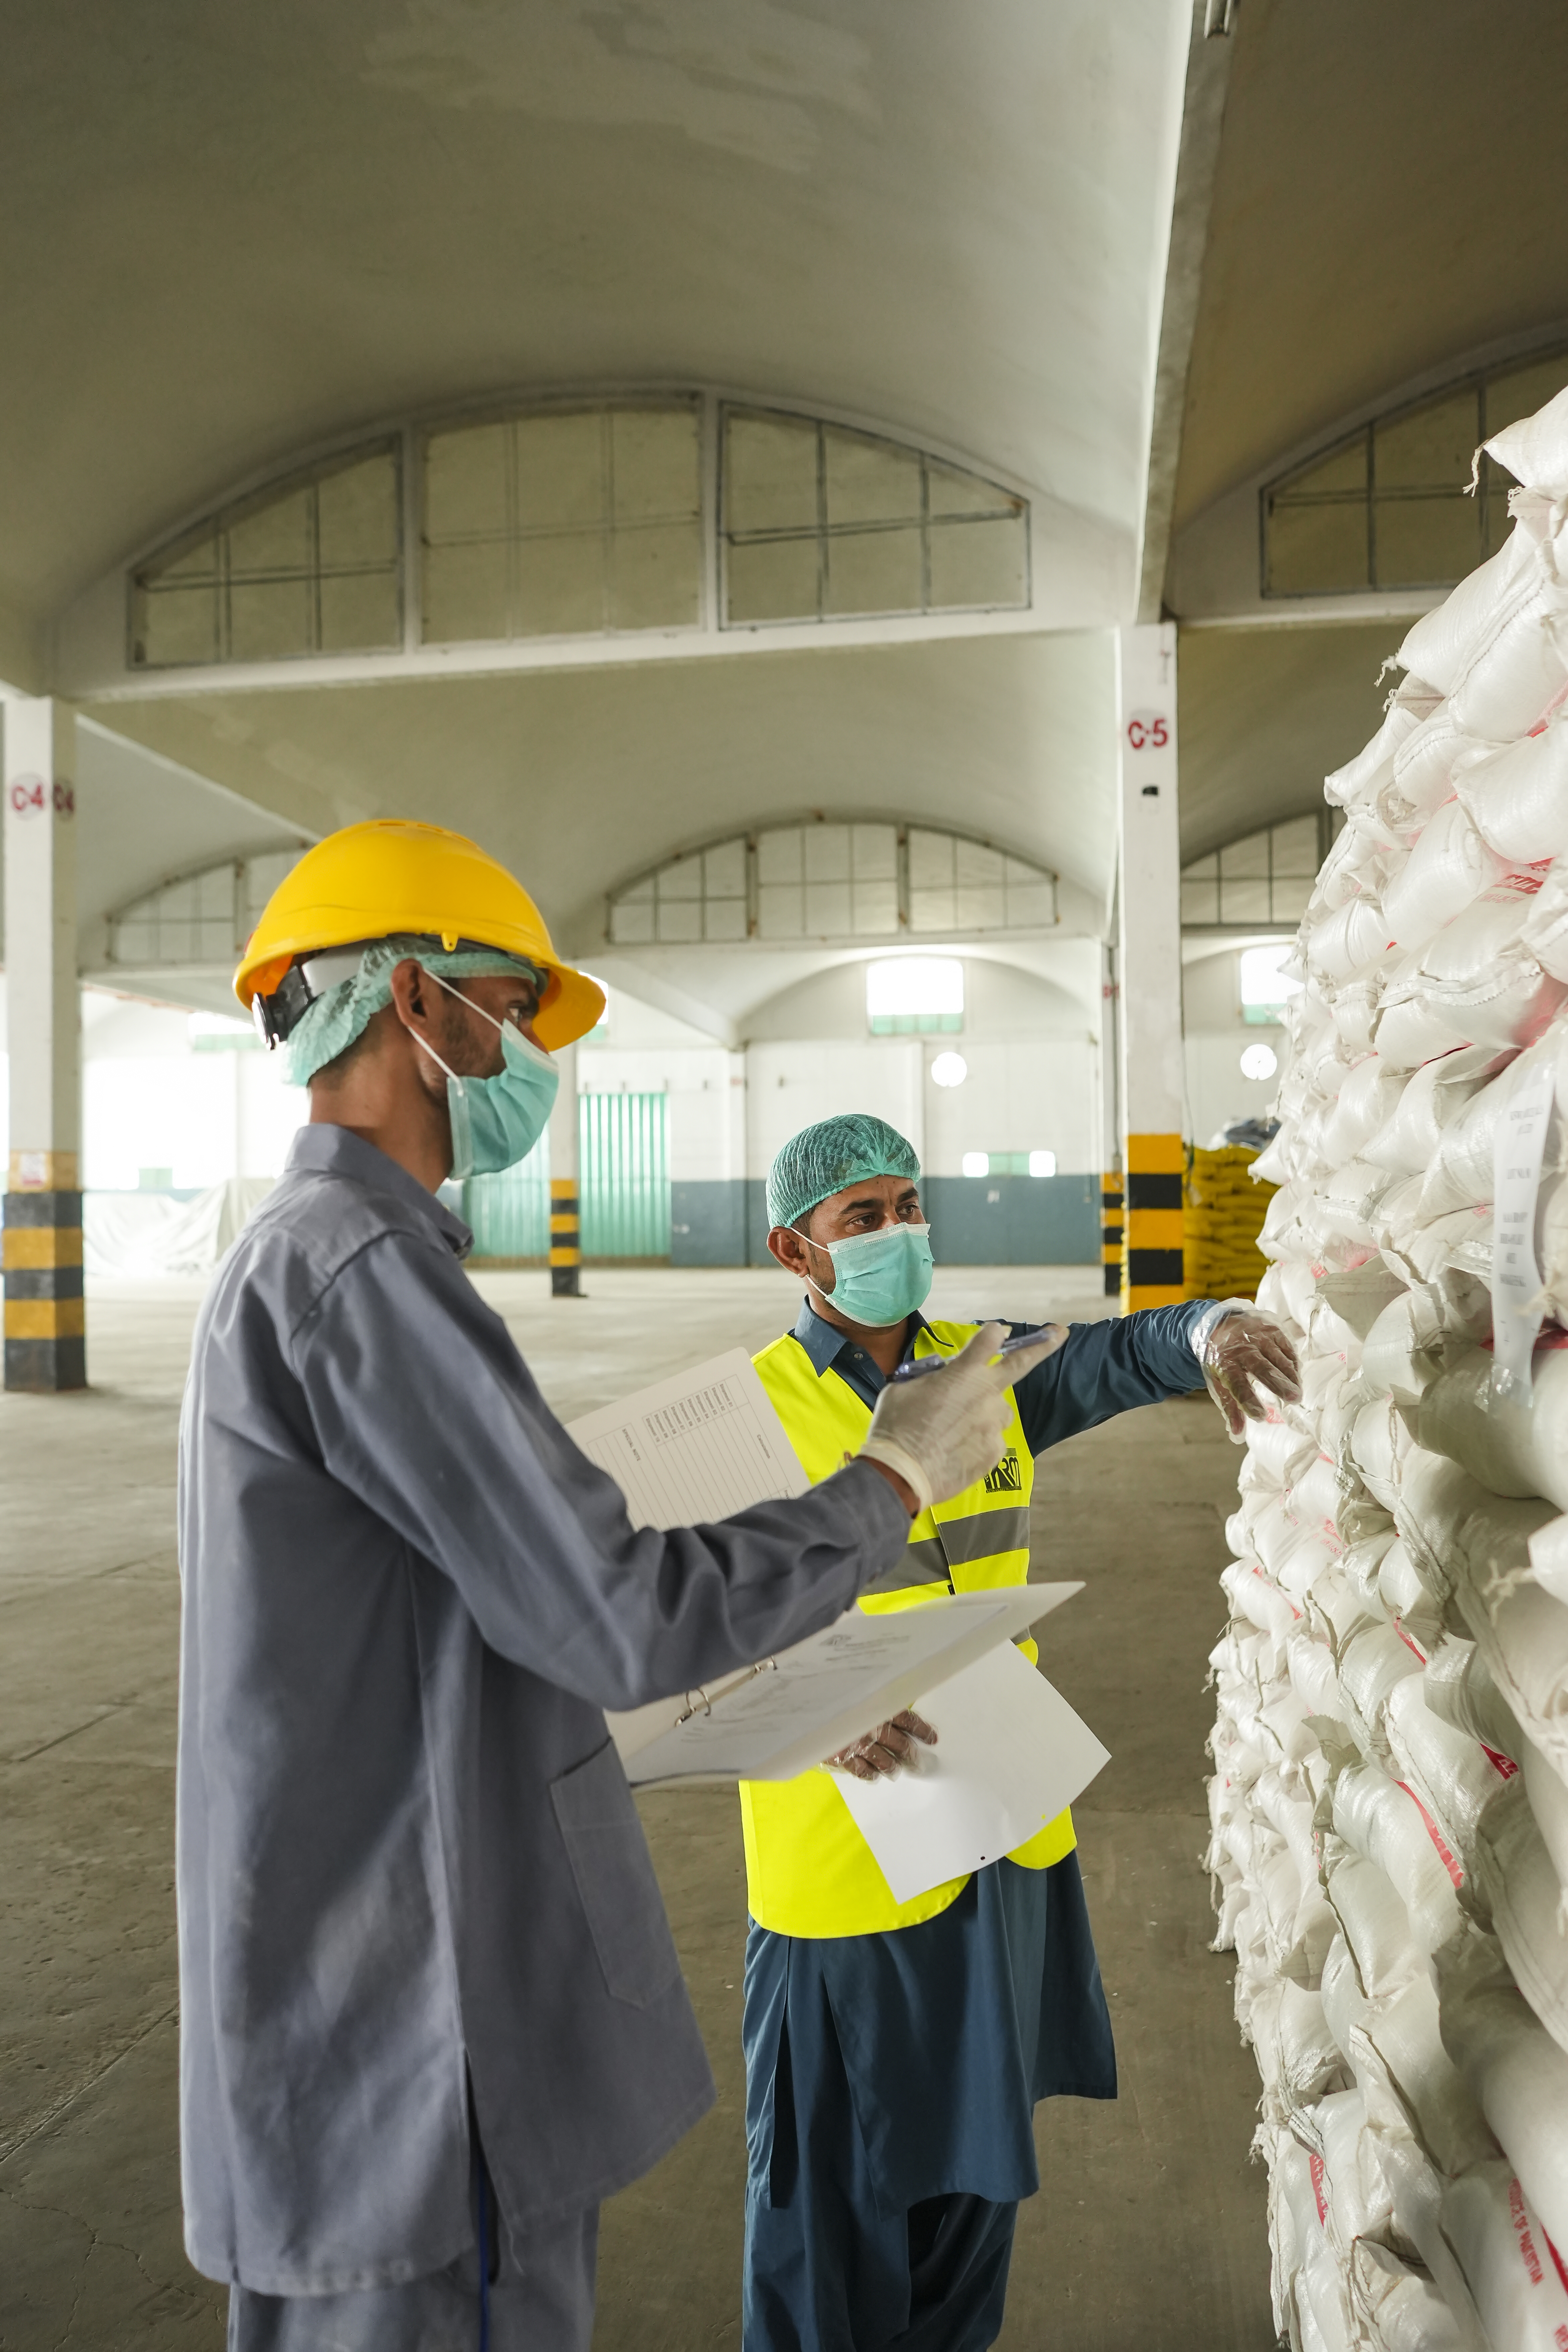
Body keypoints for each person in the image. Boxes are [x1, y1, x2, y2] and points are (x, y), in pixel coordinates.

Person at [176, 822, 1057, 2352]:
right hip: (417, 2039)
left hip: (396, 2012)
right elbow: (611, 1614)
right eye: (511, 1011)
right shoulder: (356, 1274)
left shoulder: (345, 1265)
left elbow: (481, 1622)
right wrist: (890, 1479)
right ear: (414, 1003)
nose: (525, 1054)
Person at [738, 1114, 1301, 2352]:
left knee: (974, 2184)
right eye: (862, 1218)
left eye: (908, 1205)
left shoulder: (978, 1374)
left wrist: (1207, 1327)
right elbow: (676, 1635)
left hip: (1000, 1837)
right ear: (798, 1249)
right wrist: (809, 1702)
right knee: (826, 2216)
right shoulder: (751, 1414)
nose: (899, 1233)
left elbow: (1125, 1353)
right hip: (845, 1873)